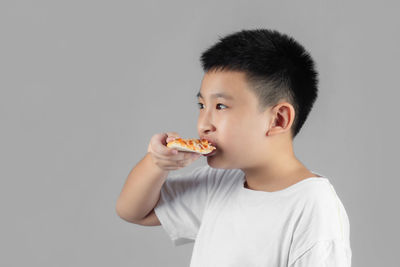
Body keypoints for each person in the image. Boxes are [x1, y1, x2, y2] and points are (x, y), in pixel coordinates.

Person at [116, 28, 352, 266]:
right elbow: (134, 211)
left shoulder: (314, 206)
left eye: (220, 106)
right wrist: (157, 163)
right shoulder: (221, 181)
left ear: (278, 119)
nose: (203, 125)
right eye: (201, 105)